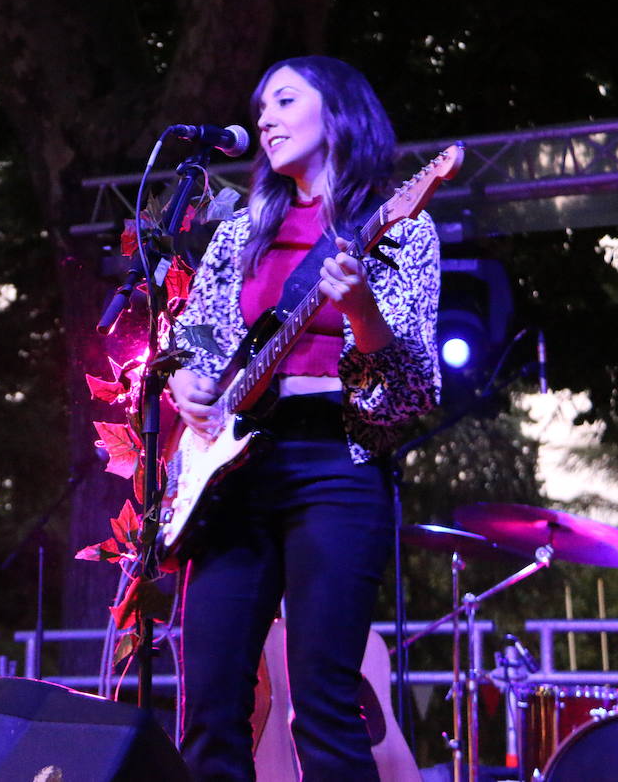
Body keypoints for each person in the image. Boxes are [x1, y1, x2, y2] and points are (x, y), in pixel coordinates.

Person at [165, 56, 440, 780]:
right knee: (211, 710)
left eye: (285, 100)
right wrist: (188, 380)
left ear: (339, 112)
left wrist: (361, 312)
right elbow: (196, 338)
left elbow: (413, 392)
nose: (264, 117)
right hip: (235, 474)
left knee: (323, 706)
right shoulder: (239, 233)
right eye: (260, 106)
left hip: (336, 469)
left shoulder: (402, 228)